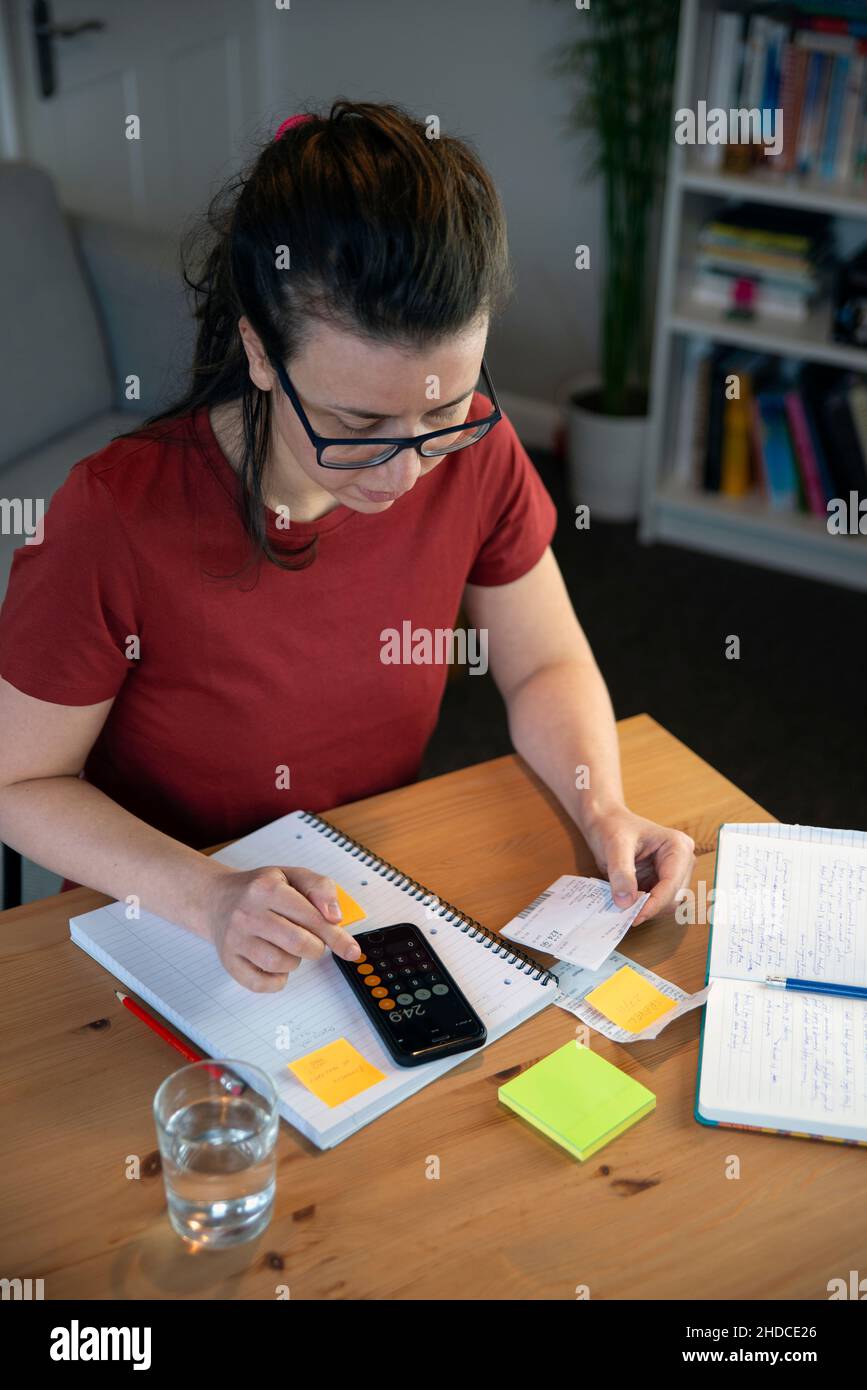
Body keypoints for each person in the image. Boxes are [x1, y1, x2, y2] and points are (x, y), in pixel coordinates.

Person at [0, 100, 694, 992]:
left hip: (361, 900)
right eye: (356, 425)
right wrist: (210, 895)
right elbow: (18, 783)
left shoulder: (476, 450)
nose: (406, 473)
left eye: (438, 412)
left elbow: (543, 665)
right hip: (157, 928)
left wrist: (605, 811)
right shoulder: (111, 517)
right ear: (258, 352)